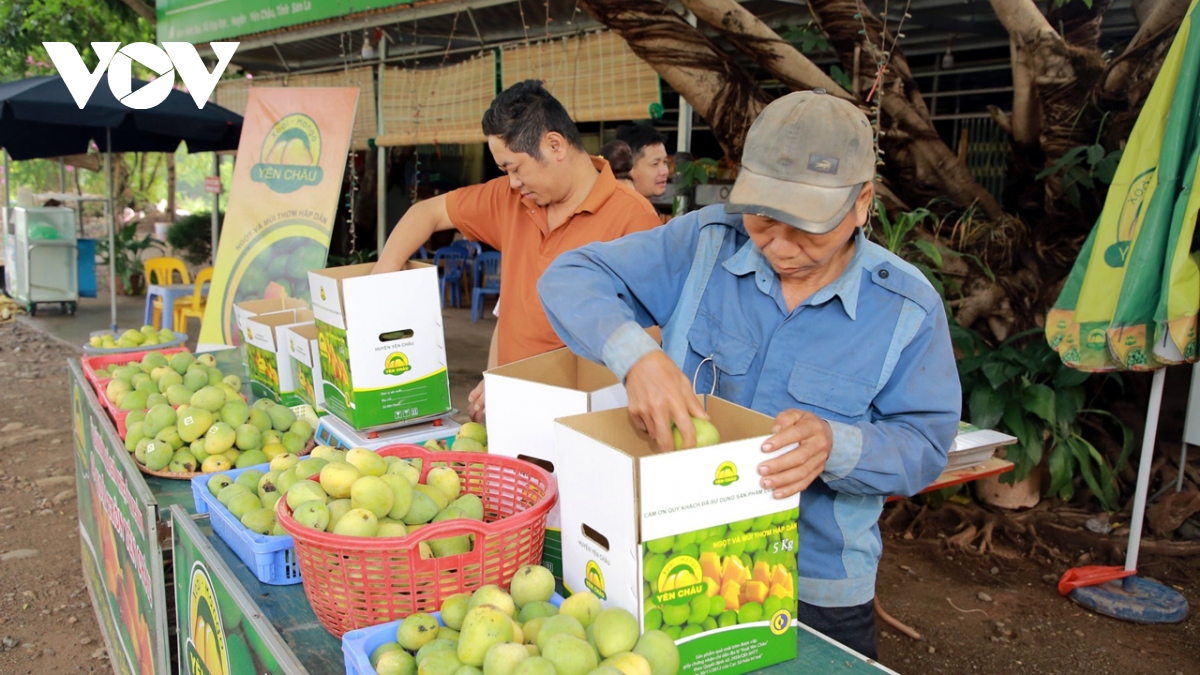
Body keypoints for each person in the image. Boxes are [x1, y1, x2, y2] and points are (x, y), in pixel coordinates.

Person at [538, 90, 960, 658]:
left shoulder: (906, 307)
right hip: (676, 556)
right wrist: (637, 356)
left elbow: (925, 443)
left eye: (807, 227)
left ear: (861, 203)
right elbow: (570, 277)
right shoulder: (706, 243)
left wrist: (835, 444)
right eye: (763, 218)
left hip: (813, 584)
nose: (779, 246)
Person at [372, 80, 661, 422]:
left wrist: (520, 388)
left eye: (514, 167)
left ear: (555, 145)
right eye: (504, 171)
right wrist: (382, 278)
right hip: (508, 406)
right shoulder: (511, 200)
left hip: (581, 416)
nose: (512, 182)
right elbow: (428, 212)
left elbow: (647, 341)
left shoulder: (633, 218)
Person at [616, 124, 670, 198]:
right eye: (655, 164)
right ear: (628, 168)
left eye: (665, 162)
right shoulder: (619, 208)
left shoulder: (647, 208)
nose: (665, 171)